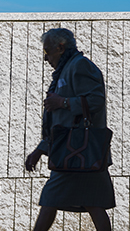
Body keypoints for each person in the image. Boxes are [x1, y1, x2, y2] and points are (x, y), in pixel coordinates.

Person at [25, 28, 115, 231]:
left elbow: (95, 101)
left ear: (61, 47)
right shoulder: (65, 70)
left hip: (76, 150)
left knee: (51, 198)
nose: (45, 58)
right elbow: (59, 121)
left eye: (47, 51)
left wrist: (62, 101)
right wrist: (40, 150)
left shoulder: (80, 66)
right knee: (92, 202)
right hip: (76, 152)